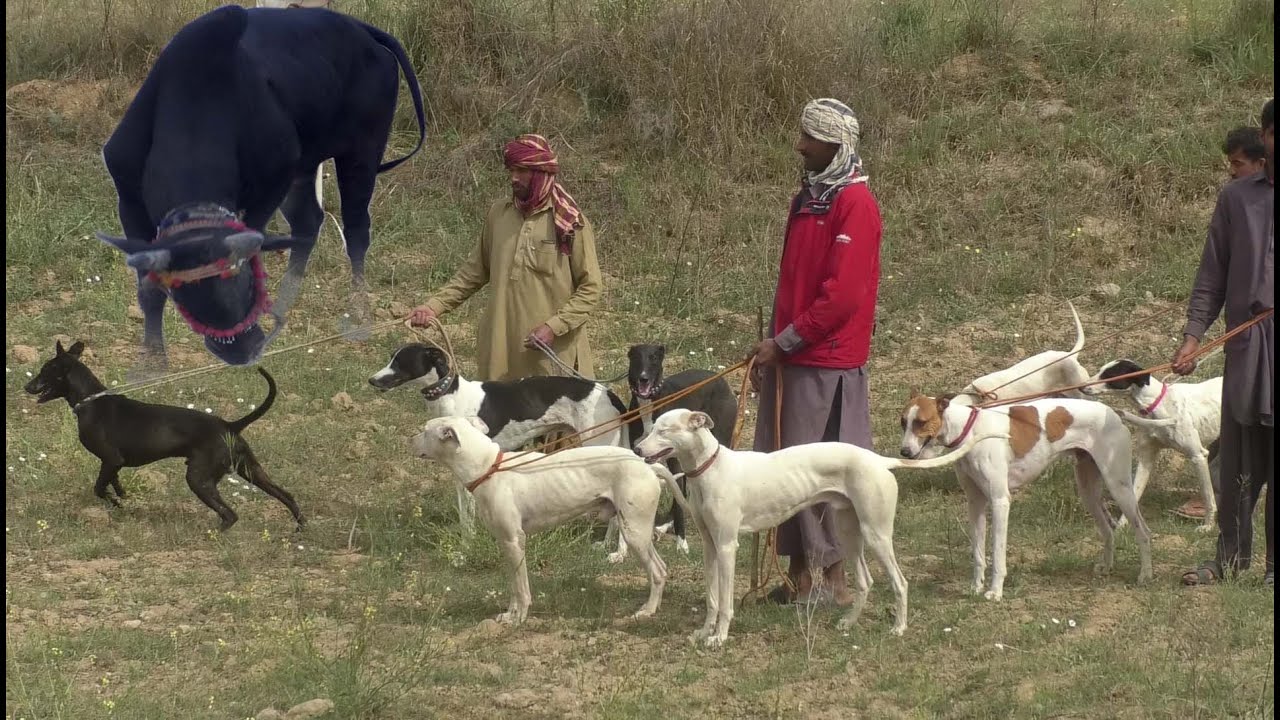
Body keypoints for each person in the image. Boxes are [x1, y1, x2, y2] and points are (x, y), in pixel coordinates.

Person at [747, 98, 883, 604]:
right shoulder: (808, 198)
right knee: (785, 469)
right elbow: (795, 281)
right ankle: (800, 579)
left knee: (819, 474)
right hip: (793, 356)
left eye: (810, 138)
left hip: (824, 363)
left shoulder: (855, 205)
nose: (800, 145)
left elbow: (842, 297)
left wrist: (785, 342)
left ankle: (835, 583)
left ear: (835, 145)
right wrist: (775, 345)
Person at [1173, 98, 1274, 587]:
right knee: (1237, 457)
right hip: (1246, 346)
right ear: (1266, 137)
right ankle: (1229, 560)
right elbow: (1211, 276)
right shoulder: (1236, 198)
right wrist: (1193, 338)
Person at [409, 134, 603, 381]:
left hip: (550, 353)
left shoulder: (570, 222)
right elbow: (473, 273)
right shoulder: (499, 214)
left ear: (541, 172)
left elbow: (591, 288)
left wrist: (554, 327)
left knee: (556, 418)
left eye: (522, 170)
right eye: (511, 170)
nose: (514, 178)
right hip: (500, 351)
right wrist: (433, 306)